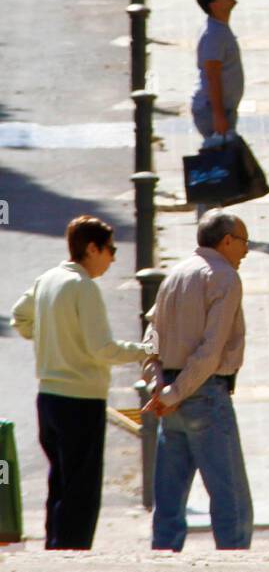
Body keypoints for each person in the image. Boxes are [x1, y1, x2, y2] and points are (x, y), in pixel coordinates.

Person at [10, 216, 150, 549]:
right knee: (81, 488)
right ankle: (71, 553)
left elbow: (20, 316)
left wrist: (51, 339)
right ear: (92, 248)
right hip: (81, 400)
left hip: (48, 398)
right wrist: (146, 351)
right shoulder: (83, 286)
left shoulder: (49, 279)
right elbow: (102, 348)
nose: (113, 258)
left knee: (60, 480)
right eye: (110, 250)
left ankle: (55, 546)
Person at [143, 209, 253, 551]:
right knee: (230, 497)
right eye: (245, 242)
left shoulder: (174, 274)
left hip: (171, 393)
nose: (247, 251)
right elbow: (211, 349)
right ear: (227, 241)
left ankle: (162, 561)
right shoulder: (224, 277)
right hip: (203, 393)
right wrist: (175, 392)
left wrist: (157, 385)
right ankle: (235, 569)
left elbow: (151, 339)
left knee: (170, 497)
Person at [191, 0, 244, 143]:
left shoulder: (219, 27)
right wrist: (219, 116)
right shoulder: (213, 34)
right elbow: (212, 76)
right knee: (221, 161)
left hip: (221, 109)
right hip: (212, 111)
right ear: (214, 6)